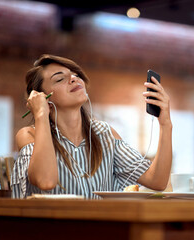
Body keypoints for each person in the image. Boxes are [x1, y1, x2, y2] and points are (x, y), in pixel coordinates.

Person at [10, 54, 173, 198]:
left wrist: (166, 124)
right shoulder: (29, 135)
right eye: (60, 79)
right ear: (42, 98)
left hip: (98, 230)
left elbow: (157, 180)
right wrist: (40, 115)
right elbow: (45, 181)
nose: (74, 79)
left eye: (75, 75)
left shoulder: (105, 134)